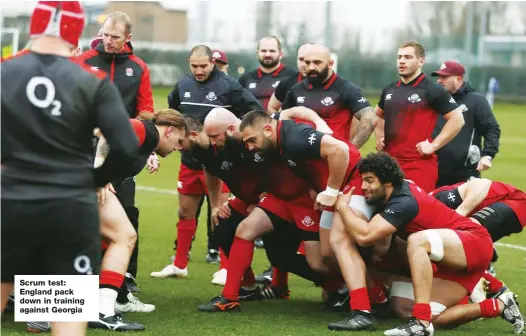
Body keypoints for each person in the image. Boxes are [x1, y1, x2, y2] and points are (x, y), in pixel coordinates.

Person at [1, 2, 139, 335]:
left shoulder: (5, 72)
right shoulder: (92, 81)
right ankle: (41, 311)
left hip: (12, 202)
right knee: (65, 324)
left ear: (34, 25)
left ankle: (35, 311)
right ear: (76, 31)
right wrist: (94, 179)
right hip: (69, 205)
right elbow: (127, 146)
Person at [329, 152, 500, 335]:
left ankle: (421, 323)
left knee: (417, 242)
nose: (363, 187)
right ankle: (499, 305)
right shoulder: (400, 189)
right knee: (404, 307)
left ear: (387, 181)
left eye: (370, 181)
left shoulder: (403, 202)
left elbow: (365, 236)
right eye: (363, 181)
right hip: (455, 255)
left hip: (473, 241)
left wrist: (342, 208)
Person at [152, 45, 262, 280]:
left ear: (213, 62)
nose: (199, 71)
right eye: (195, 66)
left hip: (219, 161)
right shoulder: (183, 84)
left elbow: (255, 111)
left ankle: (225, 267)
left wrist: (236, 138)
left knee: (219, 214)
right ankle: (180, 265)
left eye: (204, 66)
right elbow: (171, 114)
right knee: (184, 211)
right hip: (189, 159)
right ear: (189, 62)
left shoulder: (228, 85)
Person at [76, 11, 155, 294]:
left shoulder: (139, 68)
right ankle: (84, 285)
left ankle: (123, 284)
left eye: (115, 37)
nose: (108, 41)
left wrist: (151, 147)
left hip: (121, 154)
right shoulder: (83, 62)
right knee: (84, 219)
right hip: (84, 154)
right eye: (106, 35)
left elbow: (146, 111)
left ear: (128, 38)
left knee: (127, 215)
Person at [90, 109, 187, 331]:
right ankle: (102, 310)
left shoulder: (147, 142)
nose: (179, 148)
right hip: (81, 177)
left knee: (100, 241)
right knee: (124, 236)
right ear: (169, 131)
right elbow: (107, 134)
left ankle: (32, 301)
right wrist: (98, 175)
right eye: (179, 141)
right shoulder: (149, 131)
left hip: (66, 173)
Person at [374, 41, 465, 192]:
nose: (402, 61)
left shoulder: (432, 89)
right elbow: (377, 115)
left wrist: (433, 145)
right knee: (384, 210)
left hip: (418, 165)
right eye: (399, 57)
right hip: (389, 163)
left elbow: (457, 119)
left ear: (421, 61)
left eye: (408, 57)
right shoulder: (389, 89)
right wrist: (380, 137)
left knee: (418, 212)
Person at [281, 44, 375, 148]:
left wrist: (350, 149)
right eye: (307, 62)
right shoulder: (296, 90)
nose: (311, 67)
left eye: (317, 62)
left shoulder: (345, 88)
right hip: (302, 159)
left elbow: (369, 119)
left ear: (330, 64)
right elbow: (283, 120)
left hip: (332, 159)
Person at [431, 60, 501, 187]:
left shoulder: (476, 101)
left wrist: (488, 155)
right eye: (439, 76)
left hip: (464, 173)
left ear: (458, 79)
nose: (439, 80)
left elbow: (492, 129)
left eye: (445, 77)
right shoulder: (433, 101)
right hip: (432, 170)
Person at [238, 36, 297, 111]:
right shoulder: (245, 79)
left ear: (281, 54)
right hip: (253, 121)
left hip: (281, 121)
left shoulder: (292, 76)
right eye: (263, 51)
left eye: (272, 51)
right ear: (257, 54)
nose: (267, 54)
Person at [267, 43, 313, 113]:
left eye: (309, 59)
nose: (304, 64)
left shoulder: (332, 83)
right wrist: (281, 122)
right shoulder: (287, 82)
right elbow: (272, 107)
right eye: (301, 59)